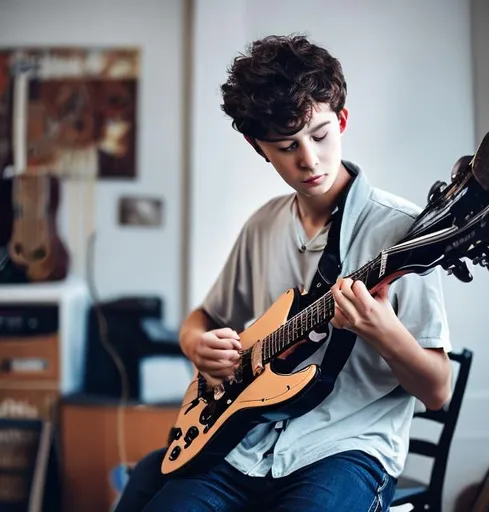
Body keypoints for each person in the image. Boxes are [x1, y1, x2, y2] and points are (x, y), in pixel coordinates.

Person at [115, 34, 452, 512]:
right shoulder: (263, 225)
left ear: (342, 120)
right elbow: (203, 317)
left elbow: (437, 391)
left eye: (319, 135)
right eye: (286, 146)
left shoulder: (403, 233)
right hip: (244, 447)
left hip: (345, 449)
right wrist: (198, 346)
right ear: (259, 148)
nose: (309, 160)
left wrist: (382, 331)